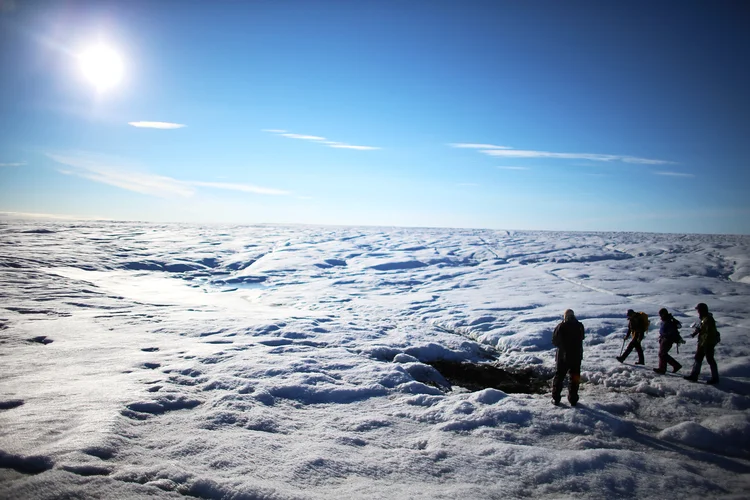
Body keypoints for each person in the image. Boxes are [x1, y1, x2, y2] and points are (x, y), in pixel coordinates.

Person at [551, 309, 585, 406]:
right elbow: (582, 337)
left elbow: (555, 341)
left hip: (563, 356)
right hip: (576, 356)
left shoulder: (561, 326)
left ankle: (556, 398)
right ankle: (573, 399)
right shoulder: (579, 326)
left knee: (559, 378)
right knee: (574, 378)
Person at [684, 303, 720, 384]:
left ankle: (715, 378)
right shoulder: (704, 319)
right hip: (703, 343)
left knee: (710, 360)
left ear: (702, 310)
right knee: (698, 358)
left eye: (698, 310)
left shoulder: (708, 320)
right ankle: (694, 375)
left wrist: (704, 343)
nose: (698, 312)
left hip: (707, 343)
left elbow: (708, 333)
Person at [653, 308, 682, 374]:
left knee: (662, 354)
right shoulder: (667, 319)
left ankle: (672, 366)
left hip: (667, 339)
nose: (660, 316)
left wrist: (666, 336)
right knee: (662, 354)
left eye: (661, 314)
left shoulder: (669, 321)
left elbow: (670, 331)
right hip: (665, 339)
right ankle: (663, 368)